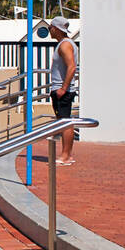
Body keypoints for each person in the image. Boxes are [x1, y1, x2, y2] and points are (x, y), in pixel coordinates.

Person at [48, 17, 78, 166]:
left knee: (65, 122)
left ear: (56, 29)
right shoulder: (64, 44)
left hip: (63, 90)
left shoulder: (65, 45)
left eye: (50, 27)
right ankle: (67, 154)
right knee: (64, 121)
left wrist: (63, 88)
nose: (49, 30)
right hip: (61, 88)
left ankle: (65, 155)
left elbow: (71, 67)